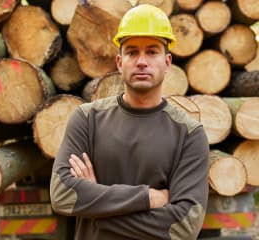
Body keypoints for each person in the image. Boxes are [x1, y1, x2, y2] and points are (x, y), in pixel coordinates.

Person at [50, 4, 209, 240]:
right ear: (119, 62)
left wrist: (96, 207)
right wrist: (148, 198)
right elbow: (63, 195)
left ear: (167, 63)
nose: (141, 61)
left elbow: (183, 228)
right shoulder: (87, 119)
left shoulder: (189, 133)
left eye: (152, 52)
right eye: (132, 52)